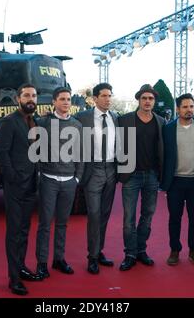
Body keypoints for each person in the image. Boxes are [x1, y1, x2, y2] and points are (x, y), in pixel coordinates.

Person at [0, 83, 42, 296]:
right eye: (26, 95)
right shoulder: (9, 122)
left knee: (24, 230)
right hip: (16, 186)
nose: (30, 98)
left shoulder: (35, 121)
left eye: (33, 95)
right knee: (14, 232)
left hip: (32, 183)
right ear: (18, 99)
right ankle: (14, 279)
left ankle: (21, 267)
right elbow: (2, 154)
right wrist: (12, 178)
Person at [35, 87, 84, 279]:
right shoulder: (43, 122)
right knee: (45, 224)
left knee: (62, 224)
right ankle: (41, 263)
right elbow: (34, 148)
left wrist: (77, 177)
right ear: (54, 102)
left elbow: (81, 153)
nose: (66, 102)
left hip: (69, 181)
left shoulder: (77, 125)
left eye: (68, 99)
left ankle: (59, 259)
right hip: (48, 180)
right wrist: (39, 173)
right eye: (62, 99)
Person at [117, 84, 165, 271]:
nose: (147, 101)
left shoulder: (161, 121)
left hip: (152, 175)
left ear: (154, 101)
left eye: (150, 98)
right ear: (138, 100)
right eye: (144, 98)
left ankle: (141, 250)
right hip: (131, 175)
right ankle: (129, 253)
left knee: (147, 216)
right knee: (129, 218)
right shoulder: (125, 119)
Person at [74, 83, 118, 274]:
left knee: (105, 214)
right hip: (93, 170)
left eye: (110, 95)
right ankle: (91, 257)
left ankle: (99, 251)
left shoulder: (115, 117)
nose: (108, 99)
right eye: (104, 96)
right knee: (93, 214)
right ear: (95, 99)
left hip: (111, 169)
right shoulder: (82, 117)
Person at [161, 93, 194, 267]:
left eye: (191, 106)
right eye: (185, 107)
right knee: (175, 218)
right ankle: (175, 250)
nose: (189, 110)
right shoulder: (168, 128)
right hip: (176, 181)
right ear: (178, 109)